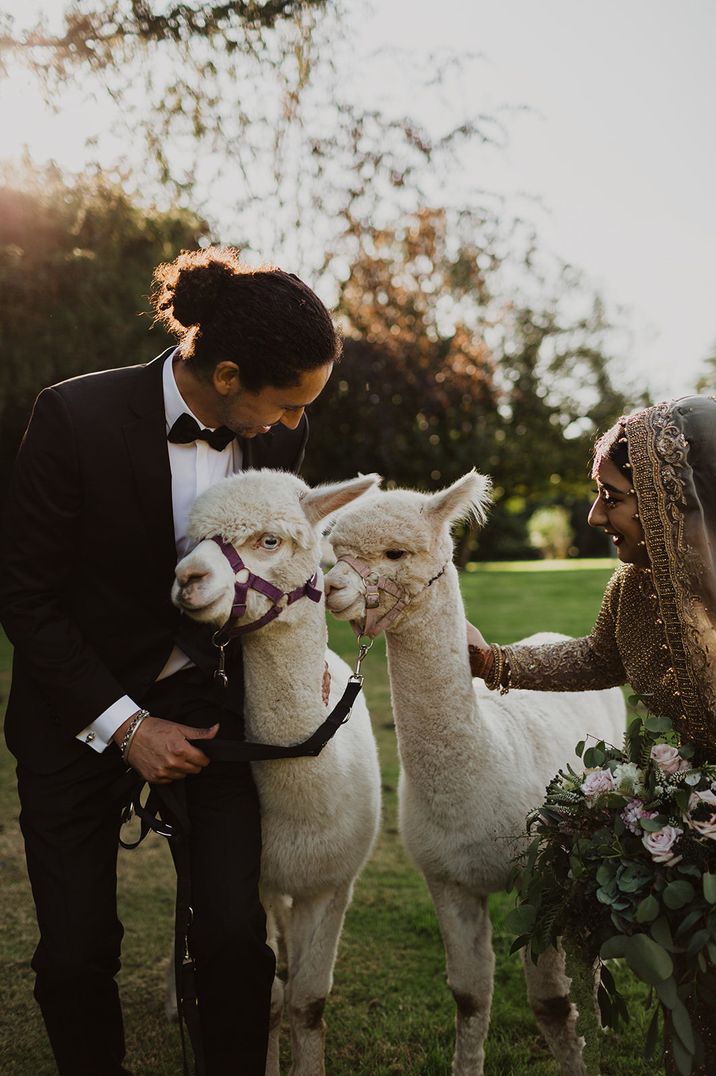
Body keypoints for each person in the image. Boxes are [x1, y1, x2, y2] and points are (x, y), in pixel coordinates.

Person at [0, 246, 340, 1076]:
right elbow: (25, 598)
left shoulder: (276, 444)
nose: (296, 424)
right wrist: (125, 727)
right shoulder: (72, 418)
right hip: (75, 714)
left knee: (233, 935)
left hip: (210, 709)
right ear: (227, 374)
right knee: (76, 953)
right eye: (287, 402)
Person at [466, 394, 716, 1068]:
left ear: (672, 500)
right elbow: (598, 658)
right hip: (693, 827)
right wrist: (492, 663)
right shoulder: (632, 590)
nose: (594, 515)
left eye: (612, 496)